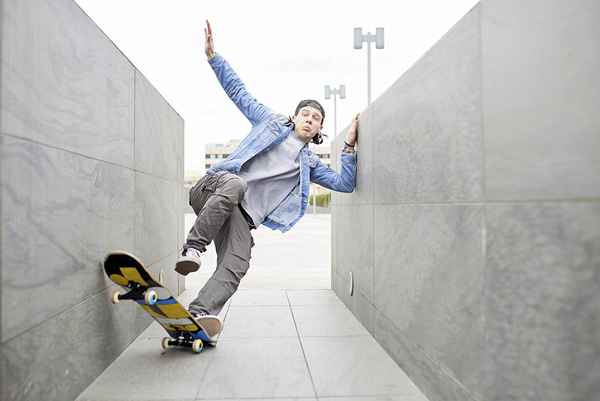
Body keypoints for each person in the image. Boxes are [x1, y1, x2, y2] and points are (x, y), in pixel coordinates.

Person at [175, 20, 359, 338]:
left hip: (241, 217)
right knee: (237, 184)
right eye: (306, 114)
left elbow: (344, 183)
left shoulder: (310, 164)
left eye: (316, 119)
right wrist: (213, 57)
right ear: (295, 116)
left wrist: (348, 146)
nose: (310, 120)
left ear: (317, 130)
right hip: (214, 188)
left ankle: (199, 313)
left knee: (237, 264)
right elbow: (239, 93)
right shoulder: (269, 122)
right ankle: (193, 248)